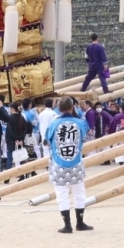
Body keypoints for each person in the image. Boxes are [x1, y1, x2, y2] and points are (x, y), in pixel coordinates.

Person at [45, 97, 92, 233]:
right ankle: (80, 222)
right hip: (76, 162)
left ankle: (67, 225)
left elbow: (47, 140)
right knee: (79, 193)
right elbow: (86, 134)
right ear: (72, 107)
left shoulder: (53, 124)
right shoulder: (80, 123)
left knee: (62, 194)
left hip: (58, 163)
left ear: (58, 108)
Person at [4, 102, 30, 178]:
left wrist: (15, 139)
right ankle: (24, 175)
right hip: (20, 140)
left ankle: (7, 177)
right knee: (21, 157)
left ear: (12, 109)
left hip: (12, 141)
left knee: (10, 158)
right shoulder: (21, 117)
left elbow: (10, 130)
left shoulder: (10, 118)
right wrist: (21, 139)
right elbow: (25, 129)